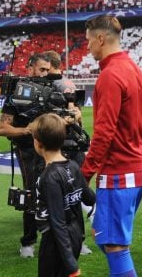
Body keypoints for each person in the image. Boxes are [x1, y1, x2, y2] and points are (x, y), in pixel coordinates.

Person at [82, 15, 142, 277]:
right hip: (137, 169)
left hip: (119, 172)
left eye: (89, 41)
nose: (87, 47)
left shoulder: (110, 75)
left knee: (114, 245)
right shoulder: (133, 68)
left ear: (100, 38)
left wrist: (84, 174)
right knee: (107, 239)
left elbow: (104, 133)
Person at [0, 52, 51, 258]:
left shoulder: (50, 91)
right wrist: (27, 130)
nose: (45, 74)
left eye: (48, 70)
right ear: (30, 68)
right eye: (42, 69)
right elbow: (2, 128)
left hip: (50, 148)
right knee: (32, 193)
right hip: (27, 150)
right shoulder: (16, 96)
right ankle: (28, 242)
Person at [31, 113, 95, 277]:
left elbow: (57, 222)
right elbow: (89, 198)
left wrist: (71, 265)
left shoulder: (49, 177)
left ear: (38, 143)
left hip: (56, 241)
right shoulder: (73, 165)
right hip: (75, 235)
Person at [45, 50, 92, 255]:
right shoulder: (69, 83)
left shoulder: (56, 85)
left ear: (50, 65)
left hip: (63, 144)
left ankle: (70, 239)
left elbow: (73, 114)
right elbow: (78, 114)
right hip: (74, 141)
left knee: (66, 195)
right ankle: (79, 239)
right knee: (75, 192)